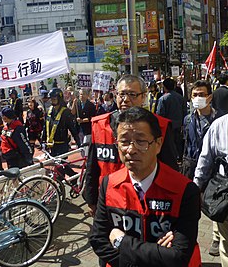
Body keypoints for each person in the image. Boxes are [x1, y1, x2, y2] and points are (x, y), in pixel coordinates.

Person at [89, 107, 201, 267]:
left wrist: (122, 241)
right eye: (124, 142)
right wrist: (157, 253)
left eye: (141, 142)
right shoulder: (108, 184)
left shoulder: (185, 190)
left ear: (158, 144)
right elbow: (99, 241)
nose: (131, 149)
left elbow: (178, 257)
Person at [85, 75, 178, 216]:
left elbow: (170, 169)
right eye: (121, 94)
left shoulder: (160, 127)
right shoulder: (99, 125)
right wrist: (91, 201)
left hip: (147, 205)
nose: (126, 99)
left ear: (143, 97)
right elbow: (92, 167)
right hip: (109, 202)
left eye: (132, 95)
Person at [193, 113, 228, 266]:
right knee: (227, 244)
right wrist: (195, 190)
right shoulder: (220, 125)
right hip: (226, 195)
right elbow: (204, 161)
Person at [42, 88, 81, 184]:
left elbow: (73, 129)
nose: (52, 101)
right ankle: (71, 177)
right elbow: (45, 126)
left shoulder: (65, 112)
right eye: (51, 99)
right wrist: (43, 140)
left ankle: (62, 186)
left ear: (59, 99)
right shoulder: (49, 111)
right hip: (52, 145)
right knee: (60, 165)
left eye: (54, 99)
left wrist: (79, 143)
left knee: (60, 167)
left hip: (62, 144)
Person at [156, 77, 187, 161]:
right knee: (179, 143)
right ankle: (180, 158)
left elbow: (160, 114)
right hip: (179, 124)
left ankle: (172, 159)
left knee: (169, 144)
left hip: (168, 126)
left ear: (164, 87)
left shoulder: (163, 99)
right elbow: (185, 112)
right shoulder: (181, 98)